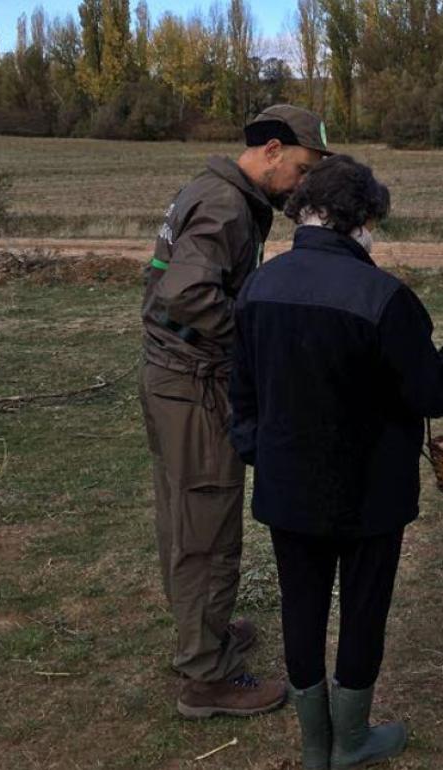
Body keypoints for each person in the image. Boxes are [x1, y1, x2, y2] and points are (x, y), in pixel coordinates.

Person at [230, 154, 443, 770]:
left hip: (288, 486)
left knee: (301, 605)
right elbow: (432, 393)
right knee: (363, 609)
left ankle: (315, 745)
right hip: (370, 494)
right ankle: (348, 741)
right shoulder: (385, 298)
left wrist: (258, 453)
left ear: (306, 213)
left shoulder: (258, 286)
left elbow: (240, 392)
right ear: (363, 217)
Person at [139, 104, 329, 719]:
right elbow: (186, 293)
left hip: (175, 378)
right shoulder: (224, 204)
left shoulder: (216, 191)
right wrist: (253, 338)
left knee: (187, 516)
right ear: (271, 151)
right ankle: (206, 677)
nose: (301, 185)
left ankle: (206, 636)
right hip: (193, 387)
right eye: (300, 169)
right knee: (206, 531)